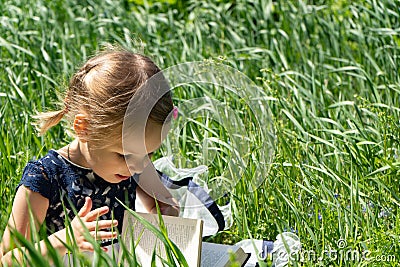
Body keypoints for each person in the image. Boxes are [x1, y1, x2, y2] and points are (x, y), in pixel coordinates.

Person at [0, 48, 179, 265]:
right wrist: (65, 239)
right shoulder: (46, 177)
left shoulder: (133, 163)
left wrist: (166, 212)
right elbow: (7, 260)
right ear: (85, 128)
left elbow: (161, 205)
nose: (138, 167)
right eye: (124, 156)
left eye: (150, 153)